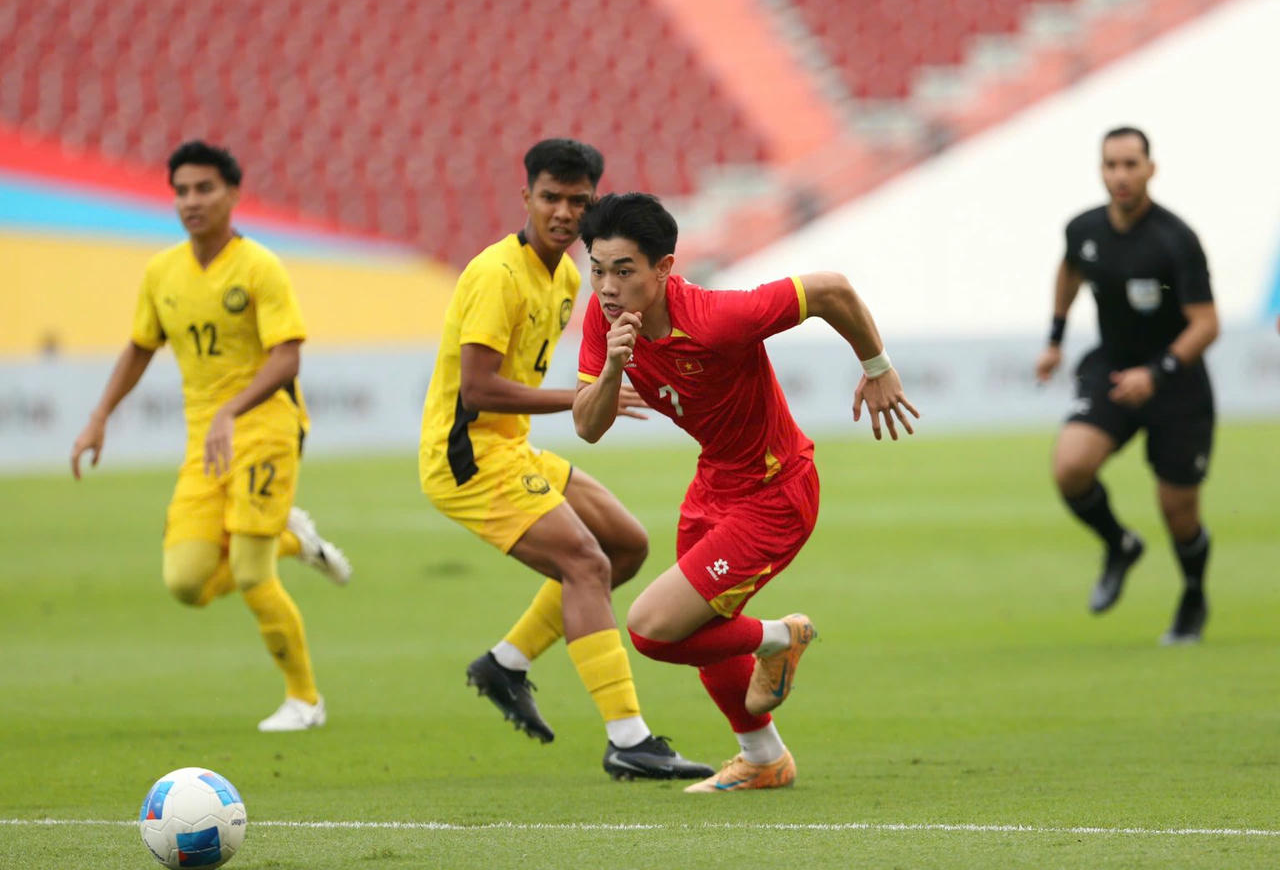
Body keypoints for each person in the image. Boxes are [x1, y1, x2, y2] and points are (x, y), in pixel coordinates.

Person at [573, 192, 918, 792]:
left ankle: (785, 636)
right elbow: (587, 426)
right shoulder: (605, 325)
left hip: (776, 491)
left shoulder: (716, 318)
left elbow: (830, 289)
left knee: (654, 628)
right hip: (714, 485)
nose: (606, 286)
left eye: (623, 271)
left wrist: (877, 365)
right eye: (597, 269)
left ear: (664, 268)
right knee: (701, 637)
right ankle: (763, 757)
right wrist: (612, 369)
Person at [418, 139, 713, 781]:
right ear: (525, 196)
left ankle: (507, 662)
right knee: (584, 561)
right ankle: (627, 737)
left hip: (509, 446)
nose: (563, 212)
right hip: (465, 456)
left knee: (627, 546)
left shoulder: (571, 275)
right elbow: (478, 388)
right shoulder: (498, 275)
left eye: (578, 202)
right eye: (550, 197)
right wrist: (579, 396)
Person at [70, 140, 352, 732]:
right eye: (181, 191)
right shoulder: (162, 272)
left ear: (233, 195)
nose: (191, 201)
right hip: (207, 439)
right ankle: (294, 539)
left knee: (250, 573)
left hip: (267, 428)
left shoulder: (259, 268)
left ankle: (305, 700)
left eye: (204, 189)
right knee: (186, 581)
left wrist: (232, 409)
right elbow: (140, 347)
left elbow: (288, 358)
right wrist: (98, 417)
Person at [1035, 126, 1218, 644]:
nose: (1120, 175)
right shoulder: (1084, 228)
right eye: (1111, 165)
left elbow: (1207, 323)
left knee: (1178, 513)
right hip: (1113, 366)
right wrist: (1055, 339)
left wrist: (1156, 374)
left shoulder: (1175, 239)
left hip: (1175, 382)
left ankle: (1192, 598)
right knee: (1070, 466)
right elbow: (1069, 270)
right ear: (1101, 169)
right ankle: (1119, 544)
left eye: (1130, 164)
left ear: (1150, 169)